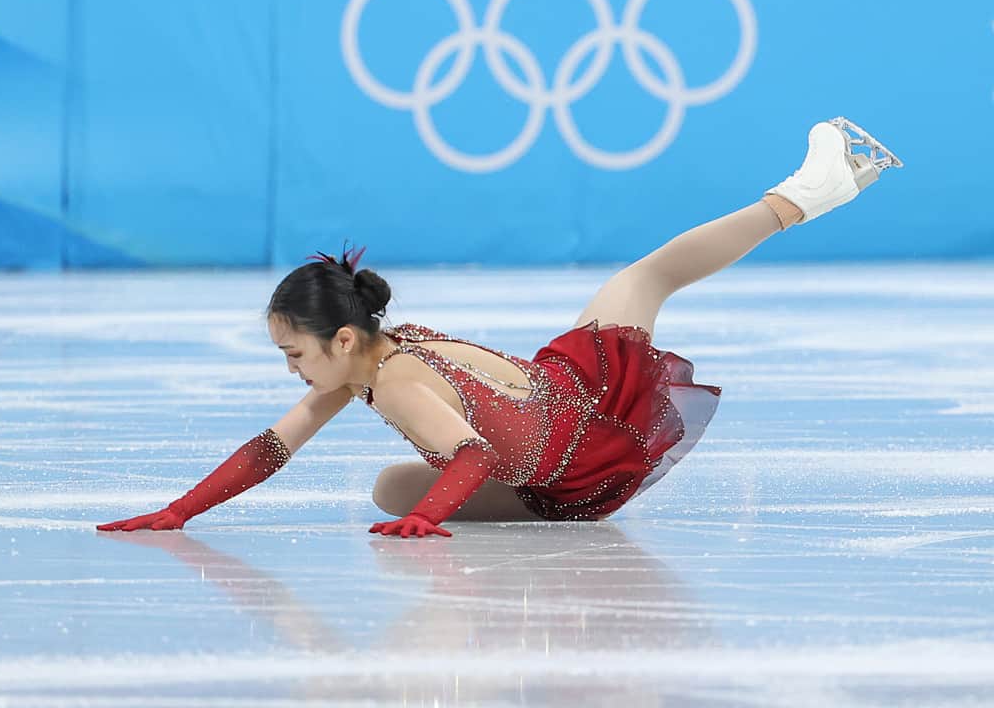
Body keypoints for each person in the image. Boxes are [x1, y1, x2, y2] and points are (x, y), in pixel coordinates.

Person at [97, 117, 902, 538]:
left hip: (584, 439)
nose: (291, 374)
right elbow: (275, 442)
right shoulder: (378, 349)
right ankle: (811, 192)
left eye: (293, 354)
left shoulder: (397, 382)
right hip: (568, 406)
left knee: (404, 487)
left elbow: (473, 453)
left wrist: (432, 516)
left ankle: (808, 191)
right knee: (644, 277)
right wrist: (180, 508)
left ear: (341, 340)